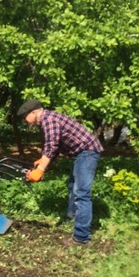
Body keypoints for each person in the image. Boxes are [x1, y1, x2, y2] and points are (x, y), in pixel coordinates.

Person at [17, 99, 103, 245]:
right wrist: (42, 163)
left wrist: (40, 169)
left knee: (82, 193)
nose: (26, 121)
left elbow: (51, 145)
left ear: (33, 112)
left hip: (87, 153)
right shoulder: (50, 118)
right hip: (82, 154)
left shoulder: (48, 120)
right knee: (72, 186)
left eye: (25, 117)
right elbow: (55, 148)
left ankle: (81, 237)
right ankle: (72, 218)